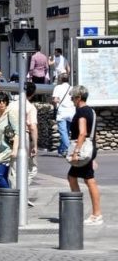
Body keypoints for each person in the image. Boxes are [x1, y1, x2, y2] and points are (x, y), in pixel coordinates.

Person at [67, 85, 103, 225]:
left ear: (78, 98)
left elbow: (82, 133)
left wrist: (76, 152)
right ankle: (88, 212)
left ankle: (95, 214)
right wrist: (92, 155)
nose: (71, 100)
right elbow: (93, 134)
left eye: (72, 98)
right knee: (78, 177)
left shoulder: (81, 112)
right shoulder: (91, 111)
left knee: (87, 179)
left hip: (82, 150)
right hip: (89, 149)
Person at [52, 73, 76, 158]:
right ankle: (61, 150)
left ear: (60, 79)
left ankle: (69, 149)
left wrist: (57, 101)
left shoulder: (57, 88)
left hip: (62, 112)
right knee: (66, 132)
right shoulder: (72, 88)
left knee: (63, 133)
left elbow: (55, 100)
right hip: (71, 112)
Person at [21, 81, 38, 179]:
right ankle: (22, 189)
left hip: (11, 136)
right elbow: (32, 127)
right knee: (31, 169)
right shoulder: (31, 107)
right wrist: (35, 145)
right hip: (25, 136)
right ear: (33, 93)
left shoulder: (13, 104)